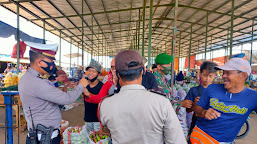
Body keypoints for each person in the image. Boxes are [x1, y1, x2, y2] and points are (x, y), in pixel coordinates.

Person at [99, 50, 186, 144]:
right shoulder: (162, 103)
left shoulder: (105, 105)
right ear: (143, 71)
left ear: (117, 74)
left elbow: (106, 130)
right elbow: (176, 141)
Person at [18, 41, 89, 144]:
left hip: (41, 135)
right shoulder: (37, 83)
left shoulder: (27, 78)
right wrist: (81, 86)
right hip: (45, 138)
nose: (53, 64)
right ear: (39, 62)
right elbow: (66, 99)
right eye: (50, 60)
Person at [190, 58, 257, 144]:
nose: (223, 76)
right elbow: (197, 109)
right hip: (201, 137)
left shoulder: (253, 97)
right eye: (223, 73)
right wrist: (203, 112)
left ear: (243, 75)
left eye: (228, 73)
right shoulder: (212, 88)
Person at [181, 61, 217, 138]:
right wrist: (195, 104)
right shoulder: (194, 90)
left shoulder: (218, 91)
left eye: (210, 76)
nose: (207, 79)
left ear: (214, 76)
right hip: (197, 123)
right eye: (204, 75)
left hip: (213, 125)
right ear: (200, 74)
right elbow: (188, 110)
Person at [83, 61, 103, 132]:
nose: (90, 73)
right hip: (87, 119)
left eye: (93, 71)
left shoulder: (102, 86)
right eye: (89, 70)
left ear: (98, 74)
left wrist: (88, 94)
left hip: (98, 121)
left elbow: (101, 101)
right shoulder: (84, 84)